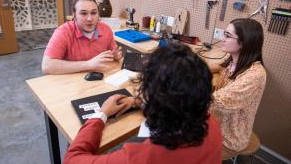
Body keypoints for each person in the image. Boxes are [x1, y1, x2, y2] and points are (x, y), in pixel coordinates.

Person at [63, 43, 222, 164]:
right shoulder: (211, 124)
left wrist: (100, 115)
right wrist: (137, 101)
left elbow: (72, 159)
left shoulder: (141, 157)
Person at [211, 18, 267, 152]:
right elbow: (218, 68)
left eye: (228, 36)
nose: (222, 39)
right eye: (224, 34)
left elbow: (218, 102)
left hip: (229, 137)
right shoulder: (233, 63)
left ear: (243, 43)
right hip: (215, 124)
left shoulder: (255, 75)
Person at [42, 0, 122, 74]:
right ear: (74, 15)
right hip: (70, 81)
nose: (90, 19)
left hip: (99, 80)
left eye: (94, 13)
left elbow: (114, 52)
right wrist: (88, 64)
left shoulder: (106, 29)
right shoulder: (63, 32)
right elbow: (47, 66)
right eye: (83, 13)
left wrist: (116, 56)